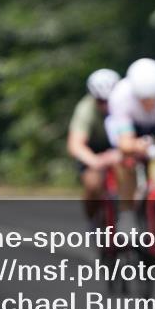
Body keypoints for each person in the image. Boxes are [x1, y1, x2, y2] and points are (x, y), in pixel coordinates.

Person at [106, 58, 155, 235]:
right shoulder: (120, 95)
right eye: (142, 99)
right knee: (124, 160)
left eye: (152, 98)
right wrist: (136, 146)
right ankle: (127, 213)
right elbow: (125, 143)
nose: (148, 103)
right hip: (133, 127)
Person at [67, 68, 124, 224]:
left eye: (109, 101)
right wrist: (95, 161)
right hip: (93, 151)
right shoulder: (85, 109)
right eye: (101, 101)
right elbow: (75, 145)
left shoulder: (126, 104)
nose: (106, 106)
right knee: (93, 184)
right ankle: (93, 220)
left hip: (120, 148)